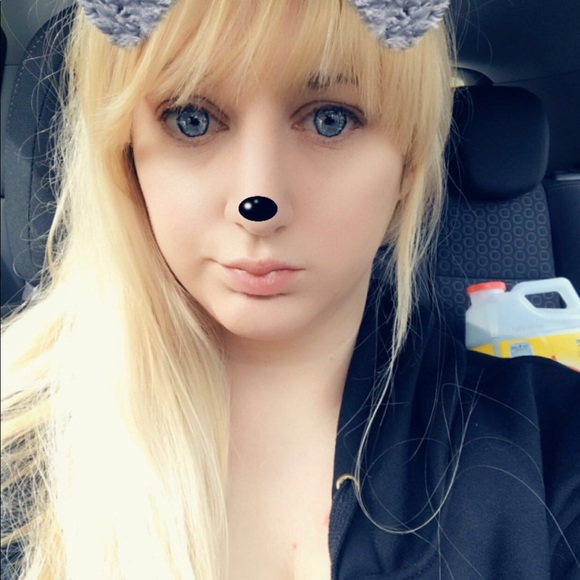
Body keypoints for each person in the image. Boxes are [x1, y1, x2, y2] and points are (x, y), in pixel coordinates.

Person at [1, 0, 578, 578]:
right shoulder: (17, 446)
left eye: (331, 119)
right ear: (127, 156)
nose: (258, 202)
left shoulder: (547, 445)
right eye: (191, 119)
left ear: (408, 162)